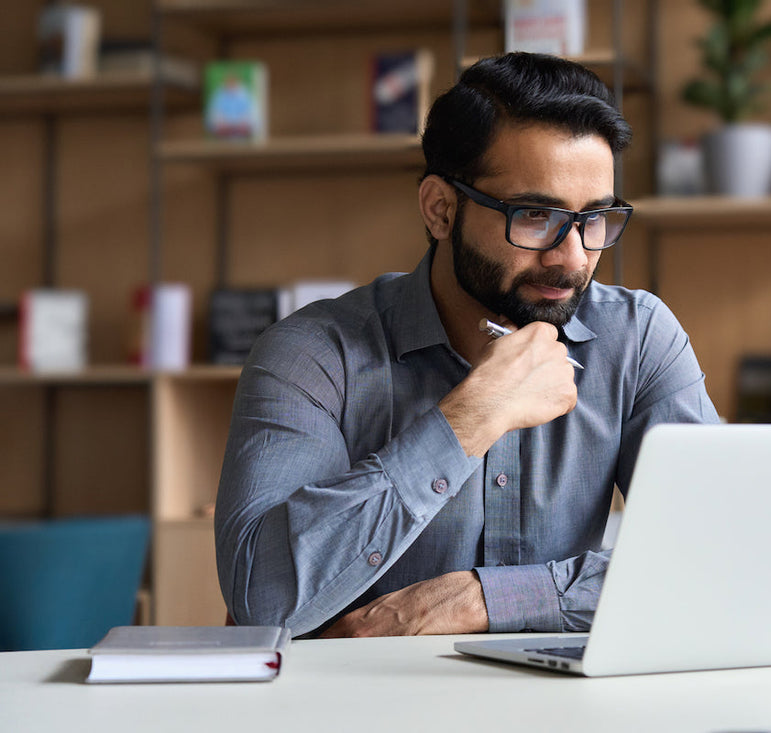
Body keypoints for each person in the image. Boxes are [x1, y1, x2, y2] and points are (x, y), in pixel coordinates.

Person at [214, 52, 720, 638]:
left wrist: (480, 599)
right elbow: (263, 599)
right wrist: (470, 417)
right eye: (535, 215)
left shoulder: (637, 339)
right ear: (440, 209)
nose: (574, 257)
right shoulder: (311, 355)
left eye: (595, 218)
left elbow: (719, 558)